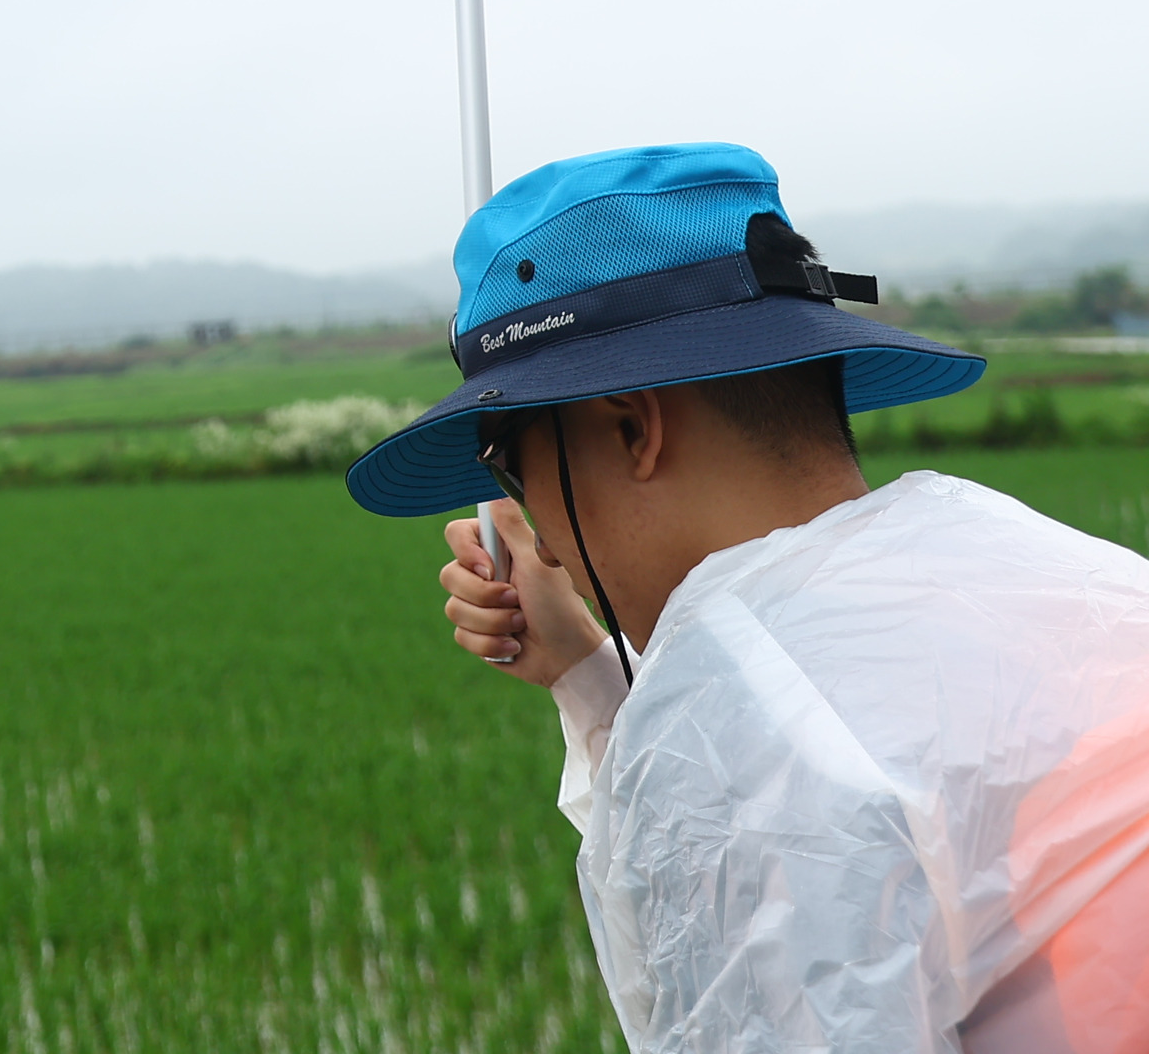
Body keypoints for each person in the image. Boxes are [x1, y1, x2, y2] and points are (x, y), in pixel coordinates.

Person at [347, 142, 1149, 1051]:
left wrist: (661, 702)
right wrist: (588, 673)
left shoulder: (733, 736)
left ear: (632, 429)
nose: (551, 549)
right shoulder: (1046, 567)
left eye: (512, 471)